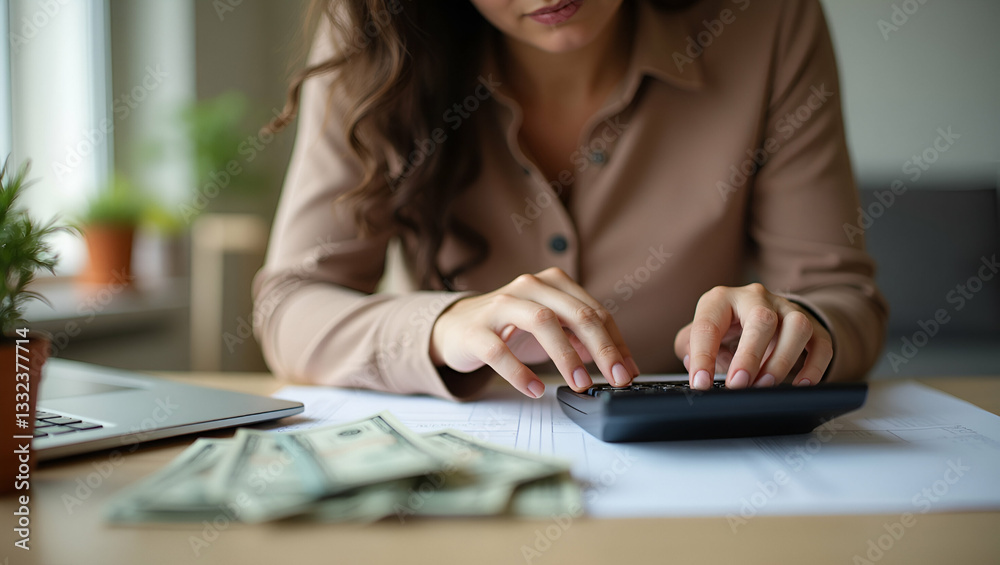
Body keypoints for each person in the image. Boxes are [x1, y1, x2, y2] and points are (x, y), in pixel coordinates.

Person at [253, 0, 888, 401]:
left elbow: (842, 300)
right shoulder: (372, 25)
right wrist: (444, 327)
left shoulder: (768, 19)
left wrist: (792, 330)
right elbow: (290, 307)